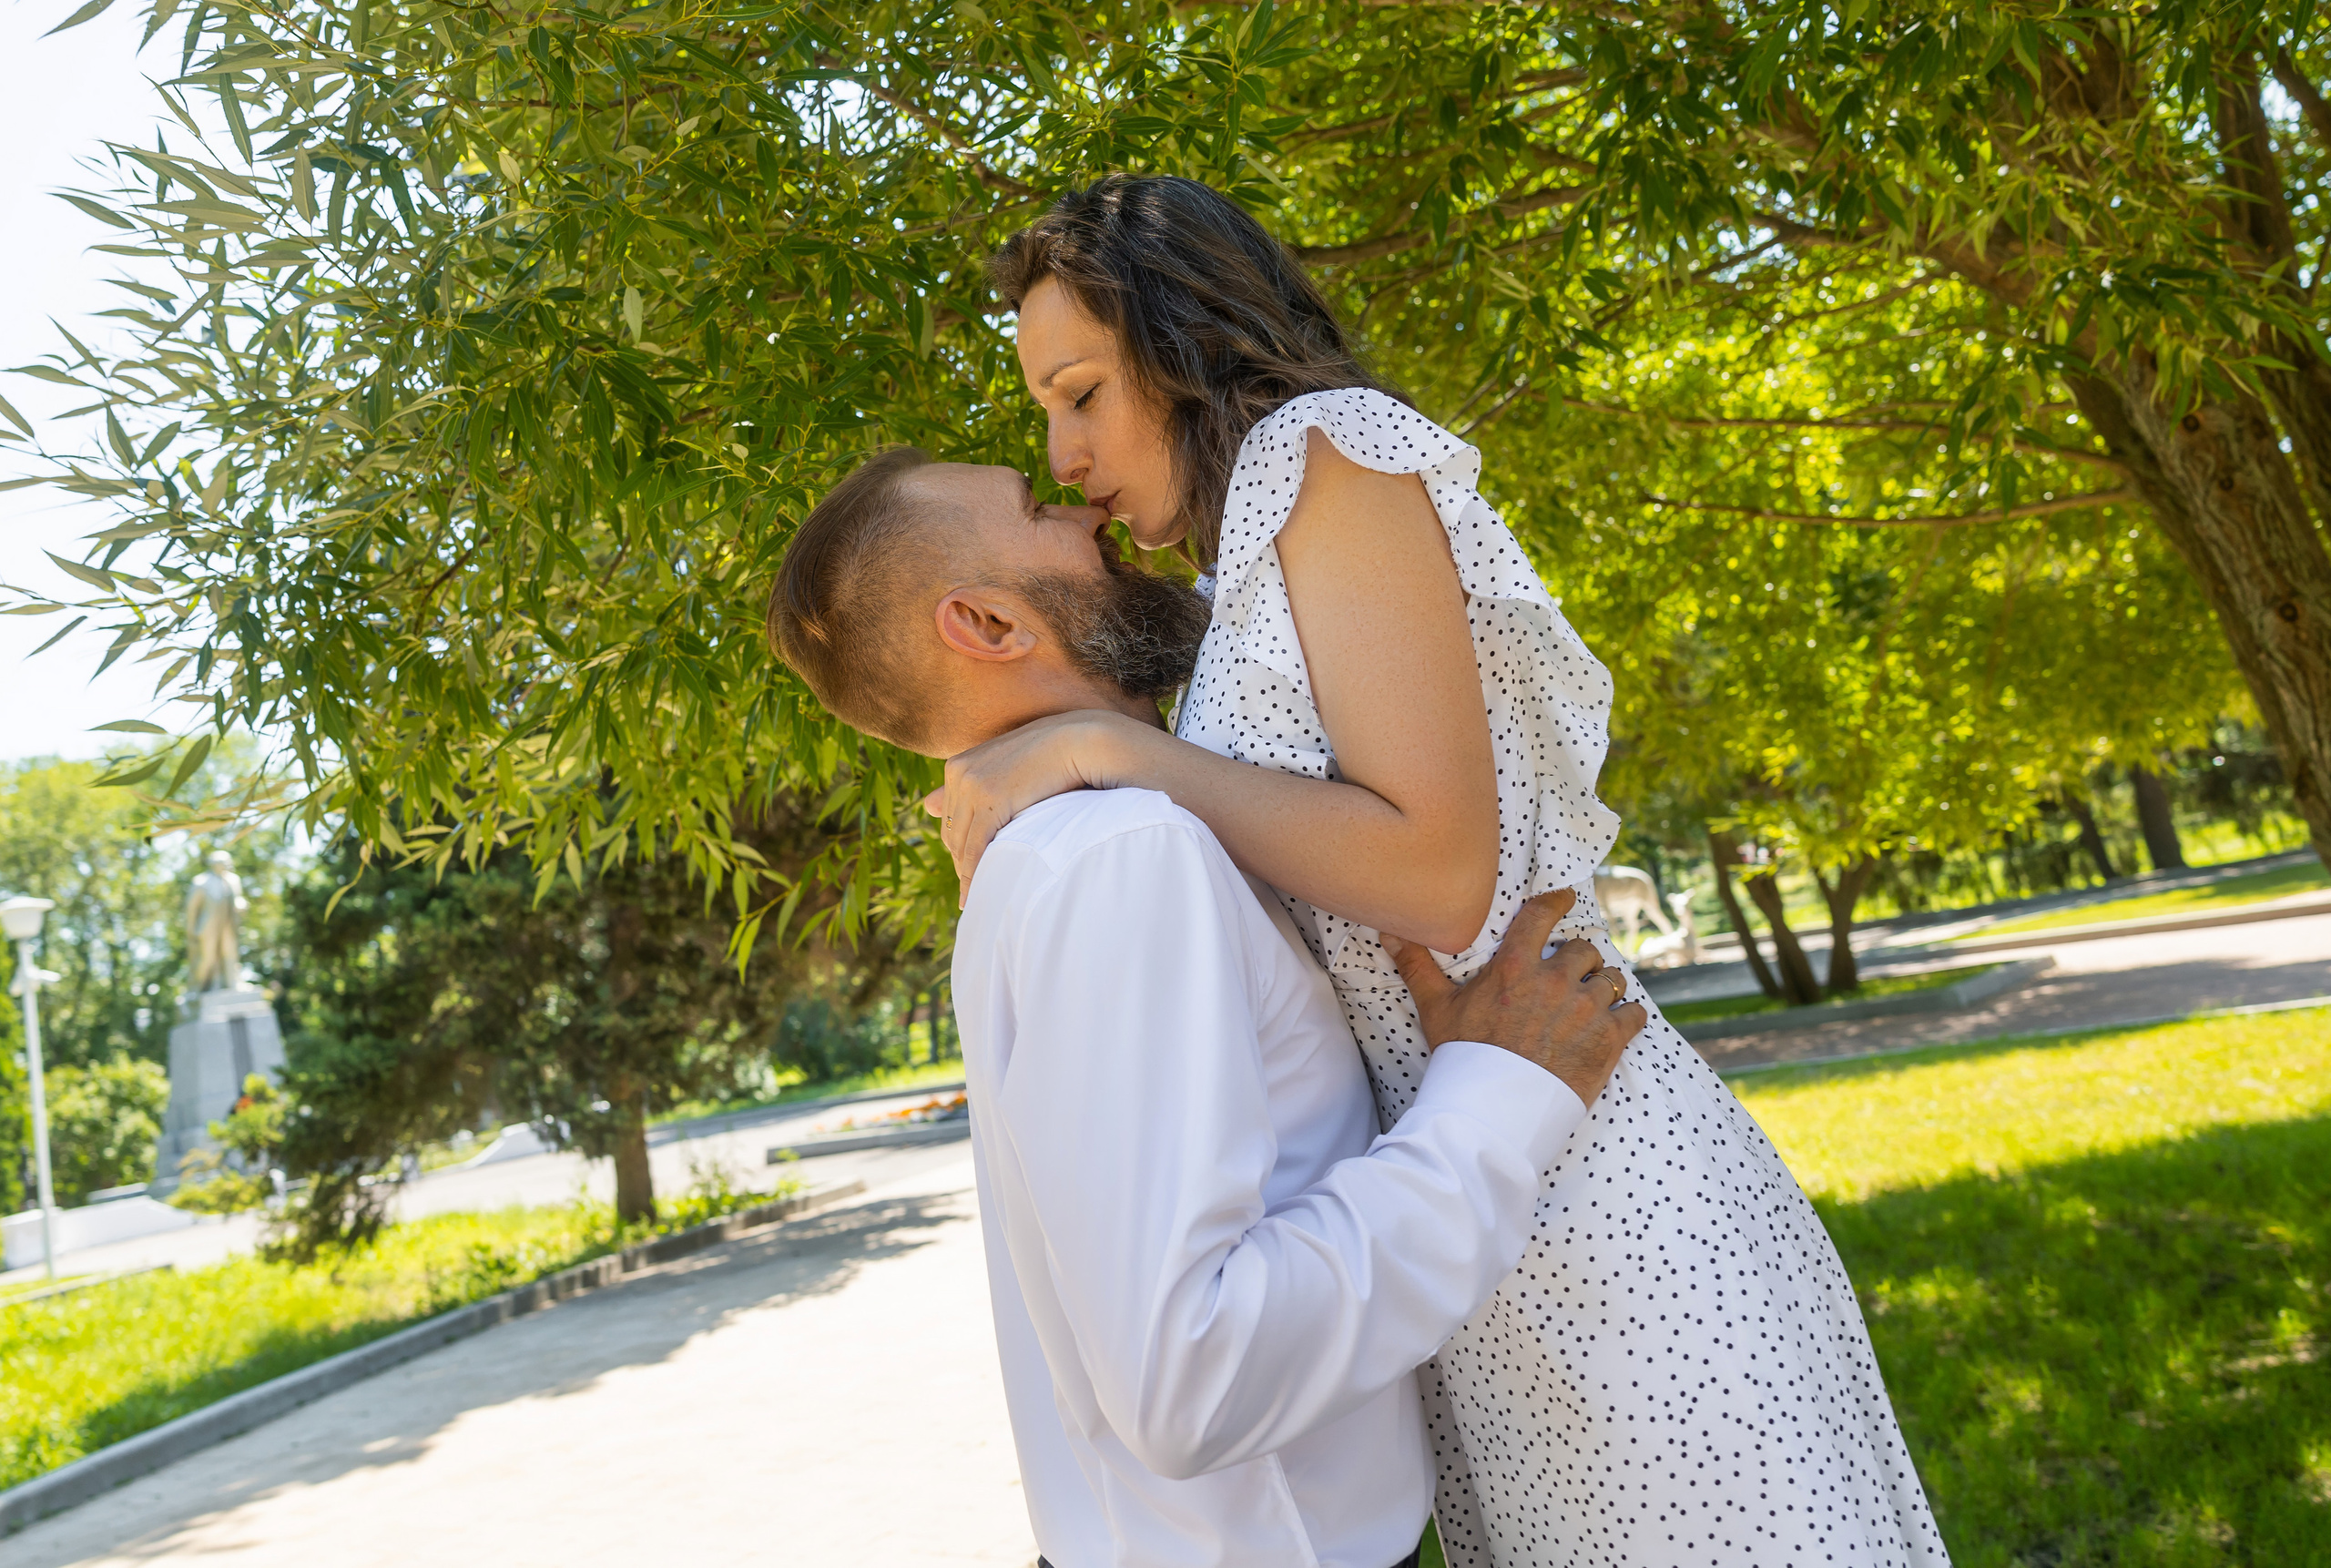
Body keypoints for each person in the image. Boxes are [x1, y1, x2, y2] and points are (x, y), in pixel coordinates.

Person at [927, 175, 1949, 1567]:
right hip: (1460, 1210)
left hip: (1590, 1183)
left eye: (1082, 393)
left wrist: (1105, 749)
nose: (1064, 454)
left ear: (1180, 338)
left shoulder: (1326, 455)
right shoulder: (1240, 570)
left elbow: (1442, 872)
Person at [766, 451, 1648, 1568]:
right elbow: (1193, 1377)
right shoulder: (1120, 853)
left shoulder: (1064, 855)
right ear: (987, 623)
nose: (1086, 507)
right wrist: (1496, 1102)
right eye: (1038, 509)